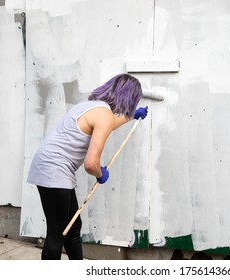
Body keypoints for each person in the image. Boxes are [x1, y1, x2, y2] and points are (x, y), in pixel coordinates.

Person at [27, 73, 148, 260]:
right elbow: (91, 164)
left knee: (73, 227)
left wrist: (130, 117)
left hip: (50, 166)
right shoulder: (104, 115)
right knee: (57, 233)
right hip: (54, 169)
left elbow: (107, 124)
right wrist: (100, 174)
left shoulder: (91, 106)